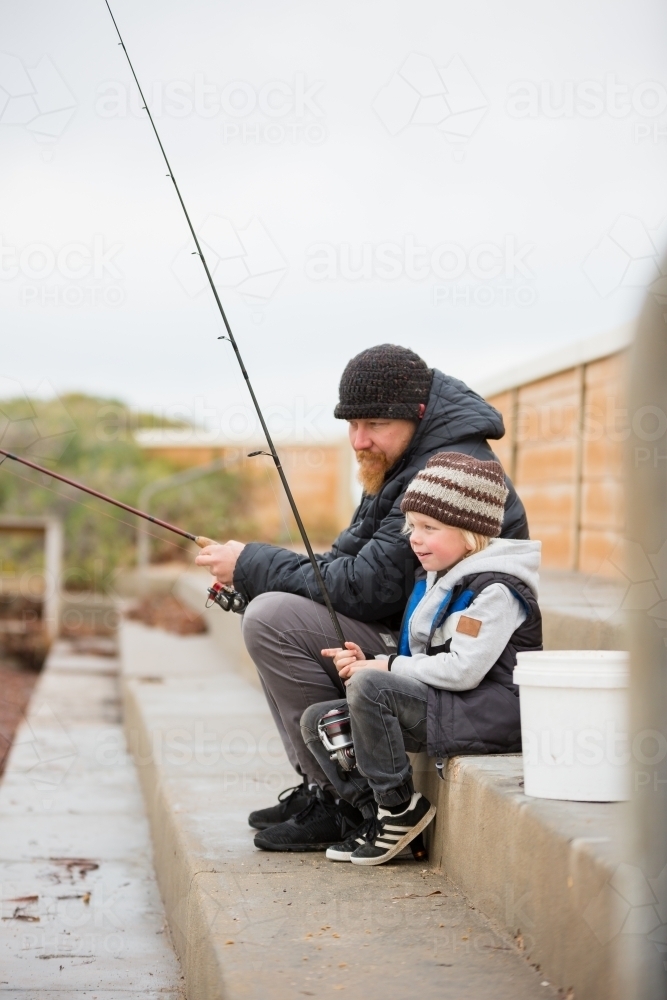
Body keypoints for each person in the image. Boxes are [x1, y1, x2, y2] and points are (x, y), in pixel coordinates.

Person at [195, 344, 530, 851]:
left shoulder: (444, 470)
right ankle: (320, 789)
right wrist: (253, 569)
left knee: (272, 619)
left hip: (439, 655)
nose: (358, 439)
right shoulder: (400, 460)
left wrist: (253, 564)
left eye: (372, 423)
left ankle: (346, 801)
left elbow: (366, 587)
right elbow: (345, 559)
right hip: (411, 633)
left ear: (416, 415)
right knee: (268, 605)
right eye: (351, 423)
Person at [300, 451, 542, 865]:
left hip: (492, 715)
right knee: (318, 721)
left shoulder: (496, 592)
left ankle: (400, 808)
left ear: (471, 533)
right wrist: (374, 658)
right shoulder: (438, 579)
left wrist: (385, 669)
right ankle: (374, 811)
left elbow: (463, 669)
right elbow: (425, 657)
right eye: (411, 526)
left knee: (370, 686)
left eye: (430, 527)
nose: (415, 537)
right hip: (453, 706)